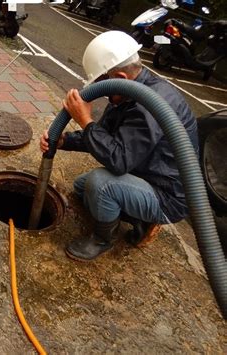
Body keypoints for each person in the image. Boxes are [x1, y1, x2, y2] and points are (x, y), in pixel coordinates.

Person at [40, 30, 199, 261]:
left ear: (121, 78)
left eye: (102, 85)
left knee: (101, 185)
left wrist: (85, 120)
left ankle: (103, 239)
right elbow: (104, 135)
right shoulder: (128, 93)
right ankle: (140, 218)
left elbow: (119, 160)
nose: (101, 93)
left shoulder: (150, 104)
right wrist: (63, 140)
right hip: (146, 172)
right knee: (82, 187)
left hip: (167, 194)